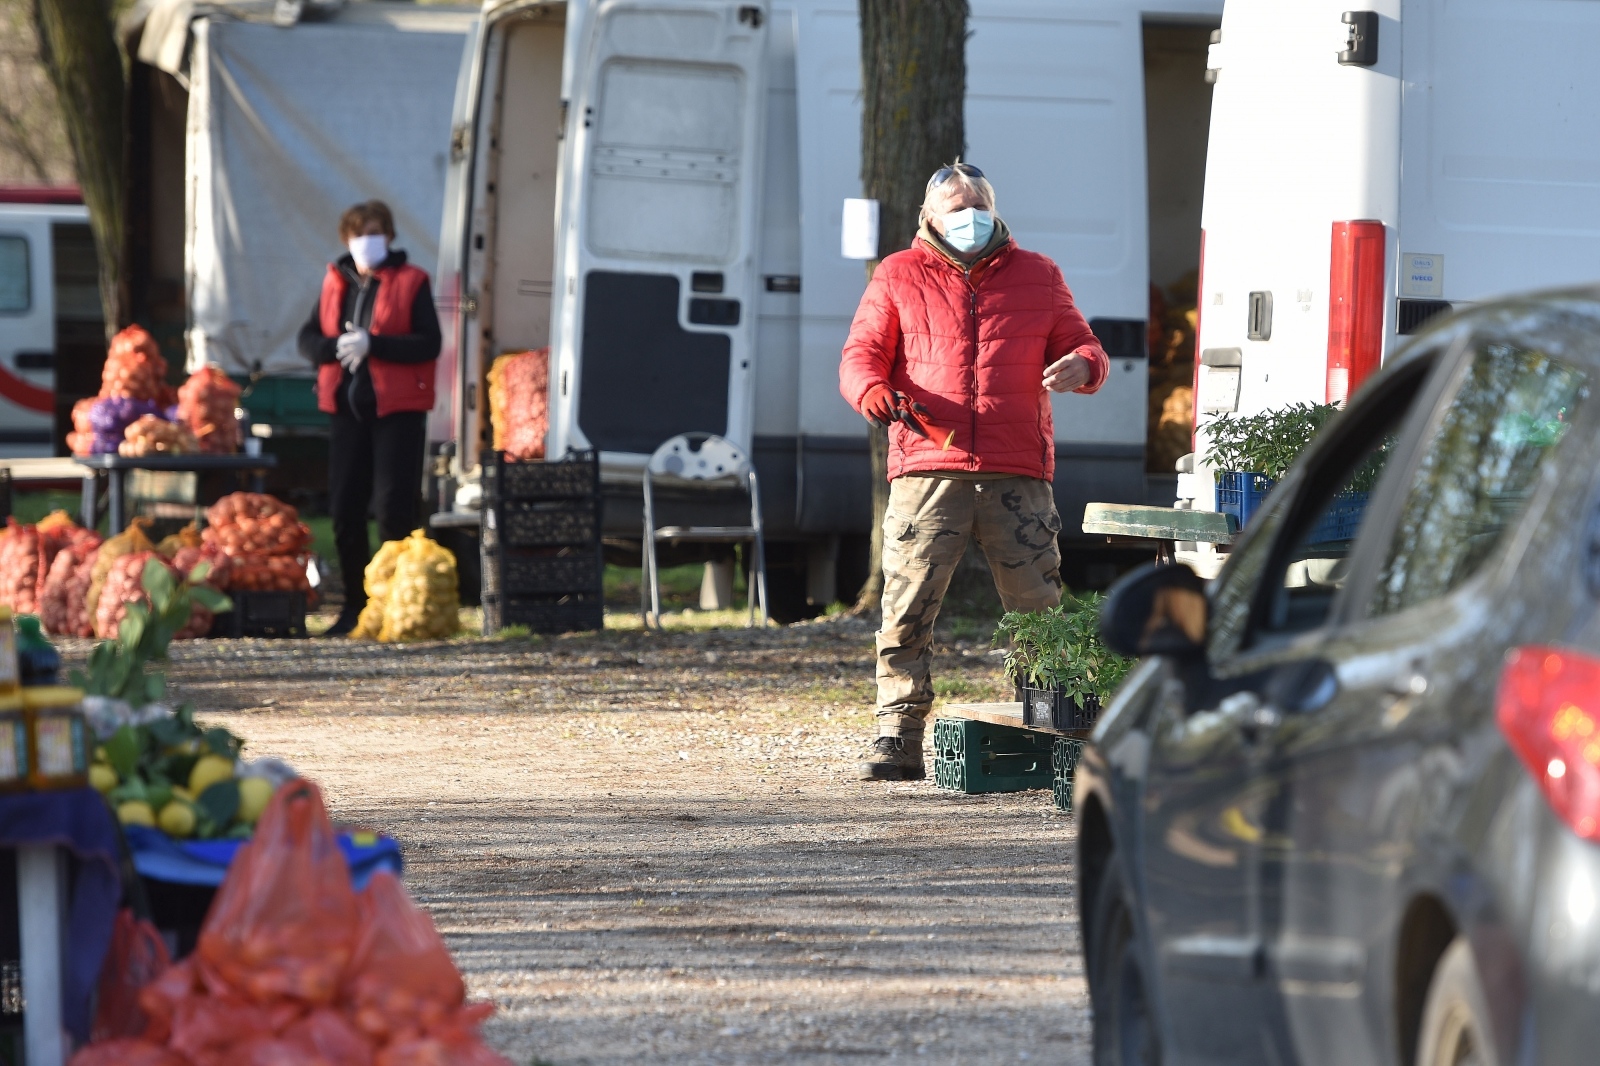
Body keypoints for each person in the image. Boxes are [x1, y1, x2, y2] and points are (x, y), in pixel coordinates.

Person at [838, 163, 1110, 781]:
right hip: (928, 469)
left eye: (977, 204)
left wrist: (1083, 366)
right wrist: (870, 391)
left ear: (994, 208)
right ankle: (898, 736)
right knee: (906, 609)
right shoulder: (899, 274)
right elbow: (860, 355)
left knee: (1038, 609)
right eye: (956, 207)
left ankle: (1055, 731)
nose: (969, 216)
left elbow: (1085, 345)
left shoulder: (1039, 274)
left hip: (1017, 472)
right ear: (928, 217)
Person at [298, 200, 441, 636]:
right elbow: (308, 338)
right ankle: (355, 606)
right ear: (346, 239)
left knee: (393, 508)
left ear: (391, 236)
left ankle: (396, 605)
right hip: (347, 409)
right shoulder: (334, 280)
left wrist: (374, 344)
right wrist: (333, 349)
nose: (367, 241)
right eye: (359, 234)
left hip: (396, 410)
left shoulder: (412, 281)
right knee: (344, 508)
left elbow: (427, 343)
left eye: (375, 232)